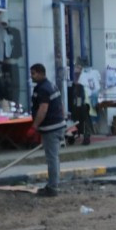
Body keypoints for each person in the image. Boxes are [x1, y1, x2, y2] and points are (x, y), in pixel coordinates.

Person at [29, 63, 66, 197]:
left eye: (33, 74)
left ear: (40, 73)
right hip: (56, 125)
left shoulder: (43, 89)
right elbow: (60, 104)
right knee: (53, 158)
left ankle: (52, 187)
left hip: (52, 128)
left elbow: (43, 109)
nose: (31, 77)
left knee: (52, 158)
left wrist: (34, 127)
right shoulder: (51, 85)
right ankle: (53, 184)